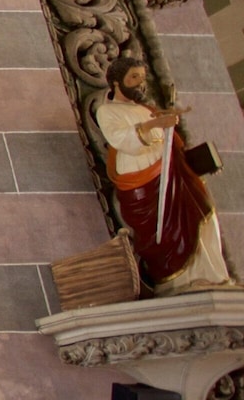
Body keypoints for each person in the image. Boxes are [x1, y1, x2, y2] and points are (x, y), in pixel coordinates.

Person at [94, 57, 233, 295]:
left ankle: (210, 276)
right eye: (134, 77)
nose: (140, 83)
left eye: (141, 77)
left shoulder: (147, 110)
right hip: (143, 181)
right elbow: (121, 140)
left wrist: (197, 162)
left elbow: (172, 146)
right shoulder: (107, 111)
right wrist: (152, 125)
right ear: (117, 82)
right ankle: (177, 281)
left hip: (175, 174)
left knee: (204, 213)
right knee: (165, 233)